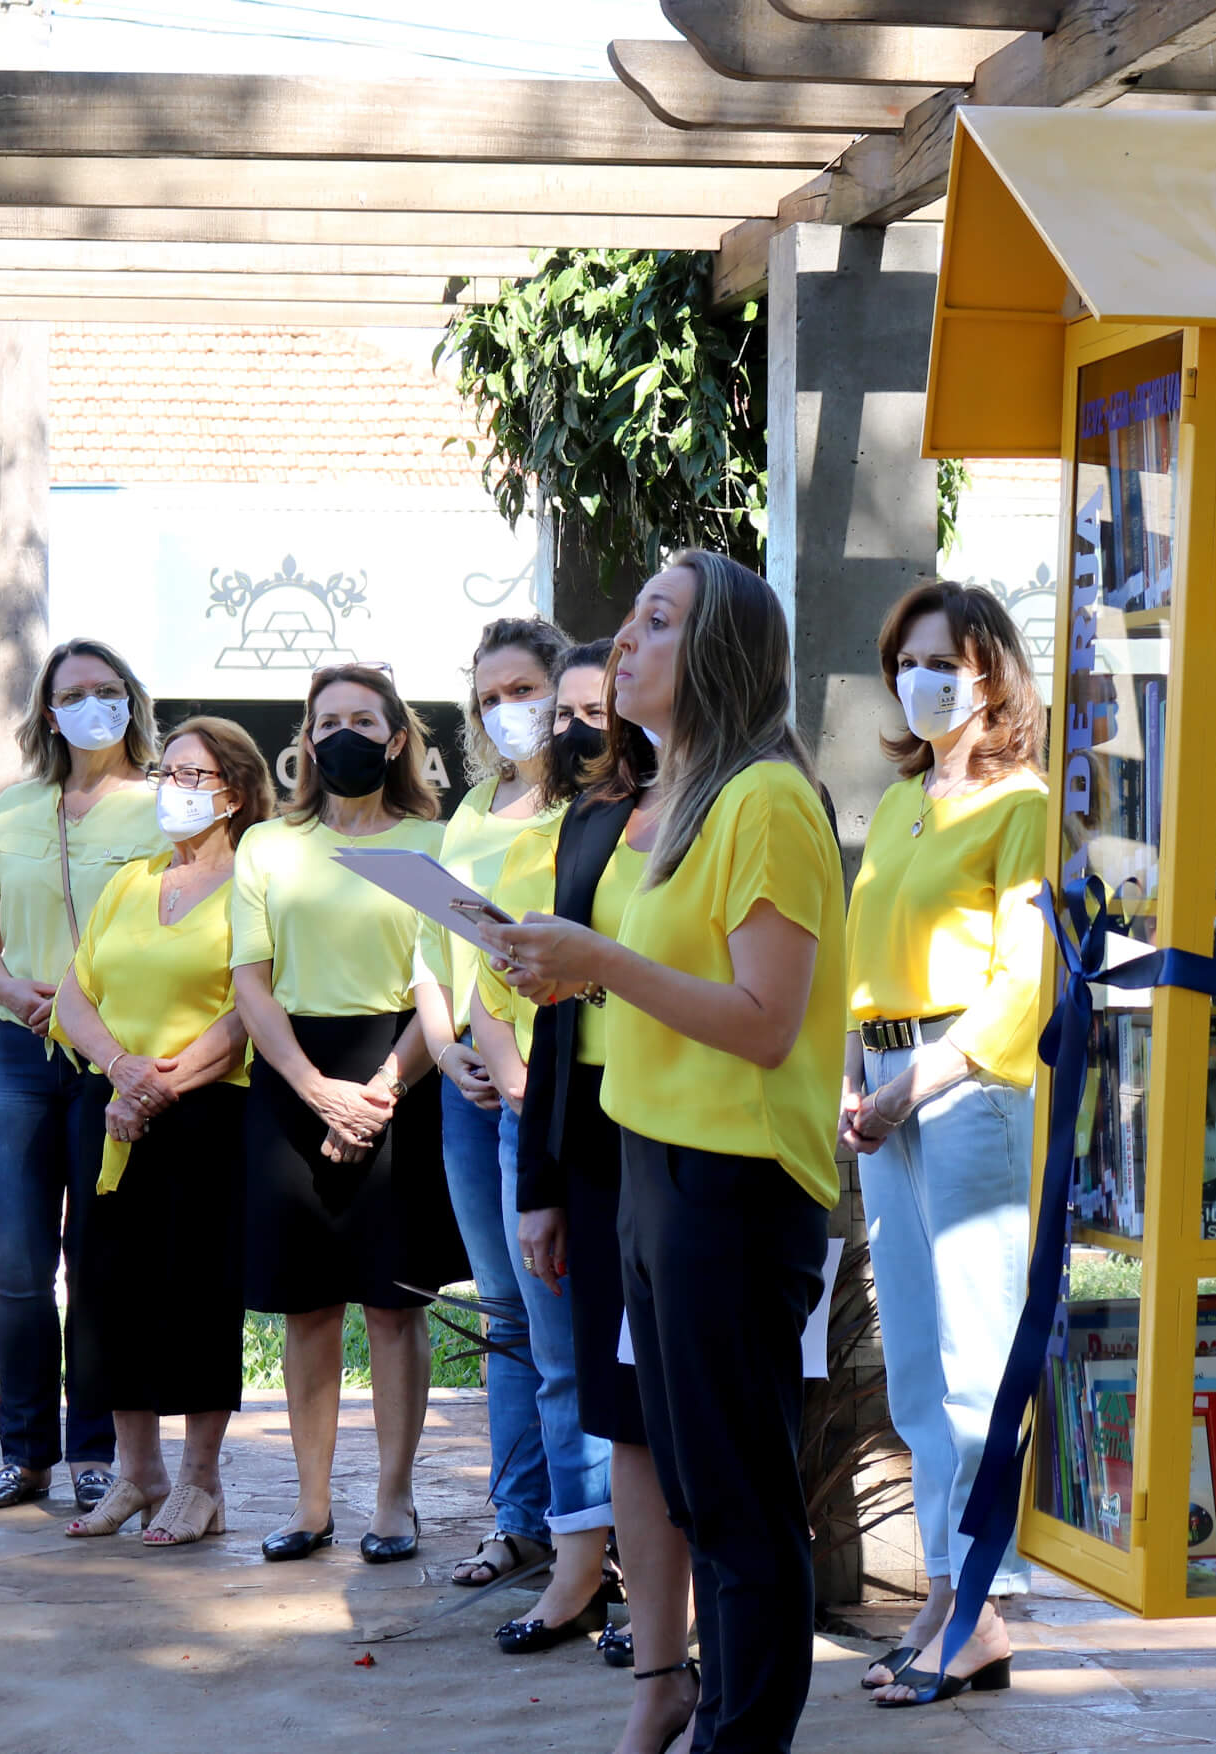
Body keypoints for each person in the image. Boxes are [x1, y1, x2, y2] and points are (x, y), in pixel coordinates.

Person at [483, 552, 848, 1754]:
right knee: (696, 1488)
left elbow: (763, 1018)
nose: (622, 640)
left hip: (731, 1184)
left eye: (655, 619)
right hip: (653, 1169)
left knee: (740, 1507)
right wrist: (554, 963)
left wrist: (602, 963)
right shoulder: (683, 800)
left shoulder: (767, 801)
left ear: (721, 653)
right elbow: (657, 992)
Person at [481, 642, 699, 1750]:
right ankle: (658, 1671)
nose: (620, 668)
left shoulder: (750, 797)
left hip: (703, 1134)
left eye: (653, 631)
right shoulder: (596, 817)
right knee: (620, 1415)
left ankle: (710, 1654)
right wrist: (544, 1184)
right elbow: (562, 1020)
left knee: (691, 1412)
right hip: (600, 1139)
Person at [843, 580, 1047, 1708]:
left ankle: (982, 1601)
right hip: (882, 1077)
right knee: (920, 1366)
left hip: (963, 1084)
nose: (921, 678)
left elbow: (1023, 980)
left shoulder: (1021, 803)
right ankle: (944, 1596)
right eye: (905, 659)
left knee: (977, 1361)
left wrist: (914, 1078)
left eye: (943, 659)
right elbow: (866, 954)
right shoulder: (907, 801)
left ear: (989, 672)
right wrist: (853, 1075)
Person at [231, 662, 466, 1565]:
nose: (344, 735)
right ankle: (311, 1500)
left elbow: (439, 982)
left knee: (392, 1305)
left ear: (398, 737)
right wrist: (312, 1086)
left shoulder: (432, 844)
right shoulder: (266, 848)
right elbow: (251, 981)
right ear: (305, 737)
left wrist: (380, 1090)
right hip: (292, 1079)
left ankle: (394, 1501)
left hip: (400, 1072)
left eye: (364, 720)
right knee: (307, 1308)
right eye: (327, 720)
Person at [50, 718, 276, 1547]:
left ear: (234, 795)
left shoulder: (255, 882)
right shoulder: (132, 880)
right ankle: (137, 1471)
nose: (172, 789)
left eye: (193, 776)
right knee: (107, 1288)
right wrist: (118, 1069)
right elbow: (76, 993)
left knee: (198, 1292)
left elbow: (246, 1012)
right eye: (167, 773)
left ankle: (199, 1482)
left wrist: (159, 1084)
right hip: (109, 1112)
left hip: (206, 1115)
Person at [0, 639, 165, 1515]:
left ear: (133, 703)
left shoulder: (162, 808)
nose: (94, 705)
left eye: (110, 690)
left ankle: (95, 1453)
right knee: (18, 1264)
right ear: (49, 712)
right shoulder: (12, 815)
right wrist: (14, 993)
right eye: (76, 692)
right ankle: (25, 1451)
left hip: (113, 1060)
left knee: (100, 1263)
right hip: (21, 1058)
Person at [413, 616, 584, 1599]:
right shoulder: (472, 809)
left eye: (522, 689)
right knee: (504, 1314)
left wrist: (509, 1060)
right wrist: (446, 1046)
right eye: (487, 698)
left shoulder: (589, 810)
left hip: (541, 1090)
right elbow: (434, 952)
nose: (506, 711)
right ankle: (518, 1519)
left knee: (557, 1315)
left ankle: (580, 1532)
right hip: (469, 1092)